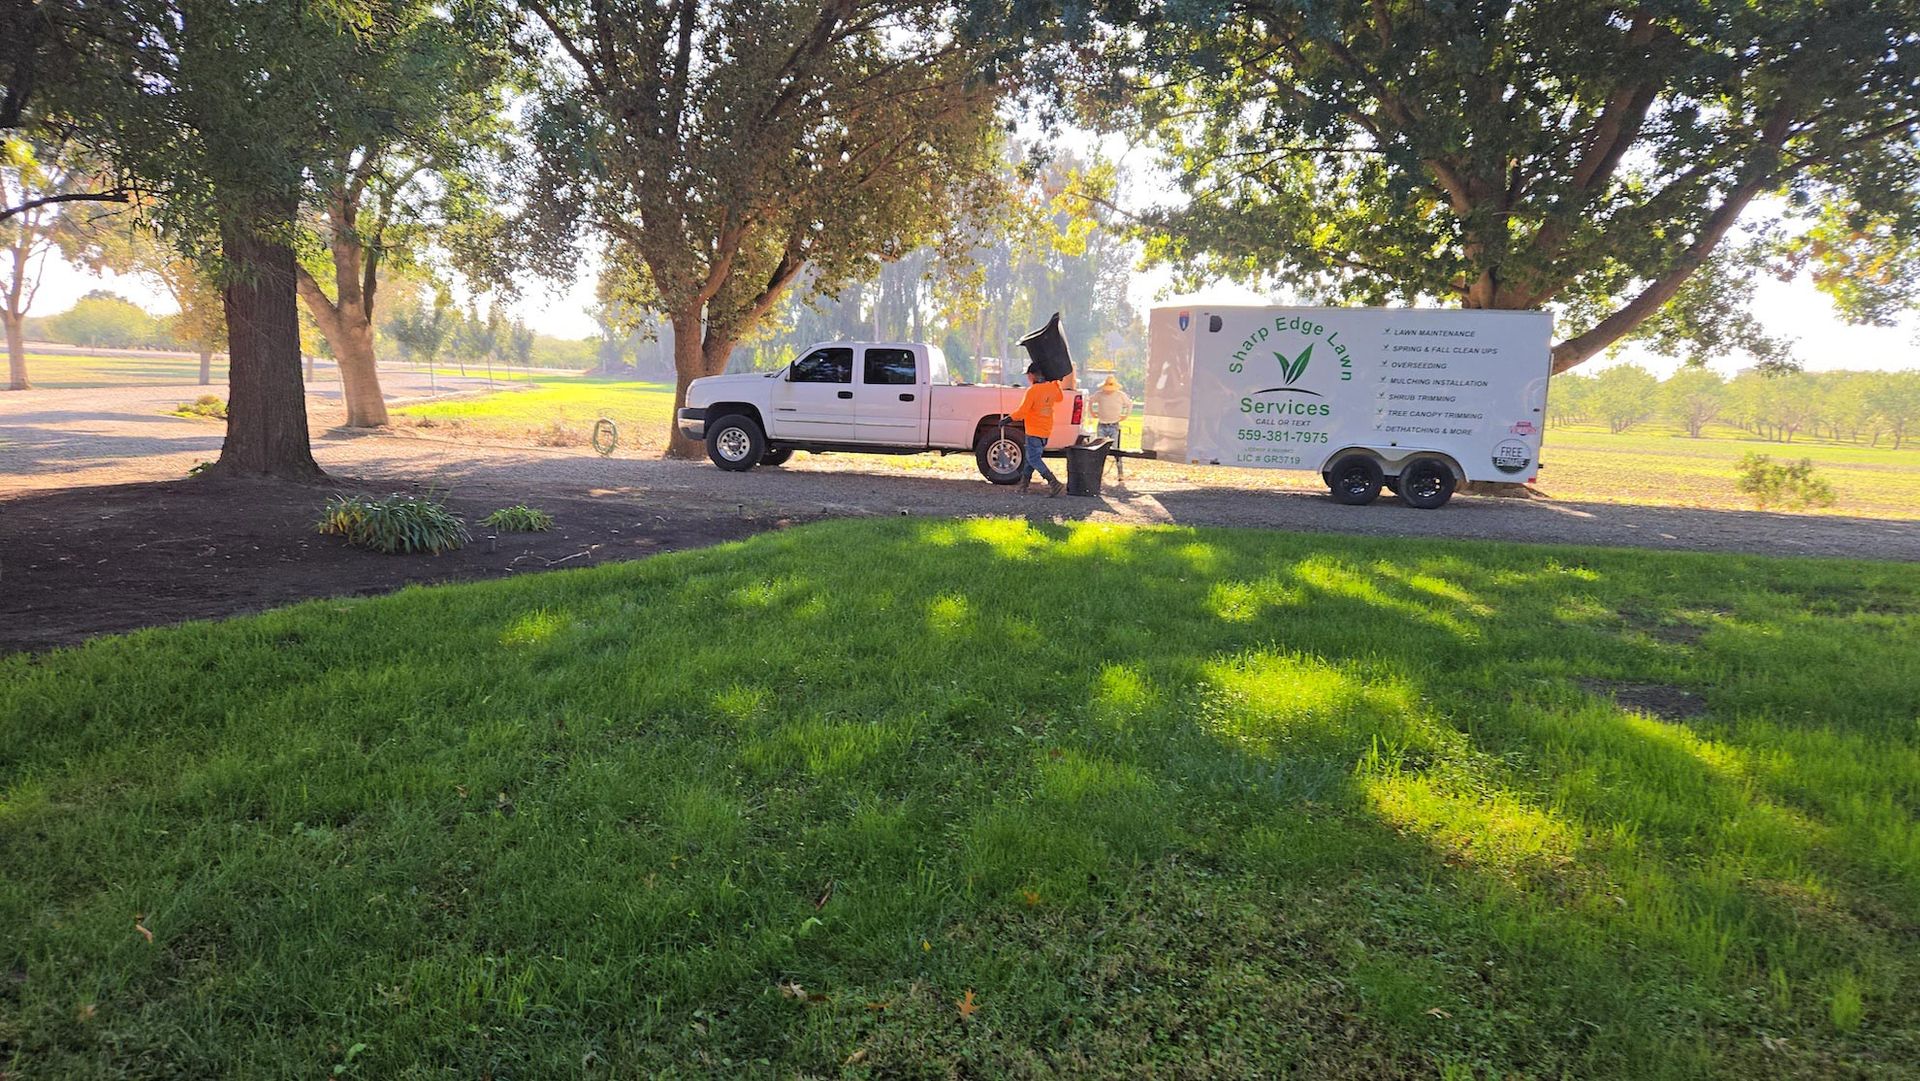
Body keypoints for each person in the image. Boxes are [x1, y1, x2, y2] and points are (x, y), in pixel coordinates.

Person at [1008, 363, 1064, 497]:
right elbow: (1060, 398)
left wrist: (1007, 419)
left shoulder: (1032, 391)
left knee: (1033, 459)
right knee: (1031, 458)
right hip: (1045, 430)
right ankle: (1023, 486)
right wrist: (1056, 381)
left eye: (1028, 375)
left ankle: (1053, 482)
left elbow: (1022, 412)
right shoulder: (1051, 387)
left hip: (1033, 430)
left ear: (1032, 375)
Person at [1091, 374, 1133, 481]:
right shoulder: (1099, 394)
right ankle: (1097, 473)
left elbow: (1129, 404)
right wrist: (1092, 412)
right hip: (1102, 424)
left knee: (1116, 450)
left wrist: (1126, 415)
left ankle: (1120, 473)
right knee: (1099, 450)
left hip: (1114, 425)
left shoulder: (1120, 395)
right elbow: (1091, 401)